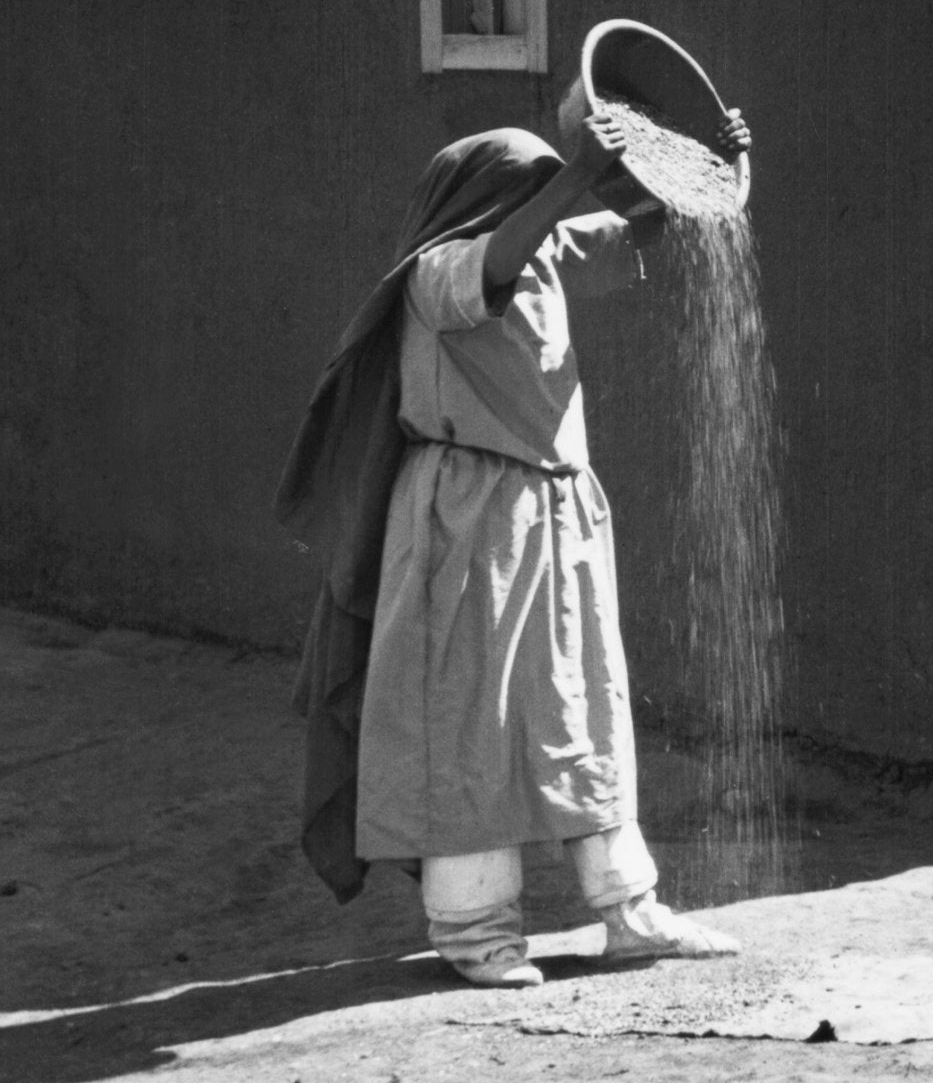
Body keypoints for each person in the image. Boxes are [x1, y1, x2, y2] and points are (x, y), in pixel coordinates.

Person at [279, 86, 749, 987]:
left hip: (558, 510)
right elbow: (498, 257)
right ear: (487, 199)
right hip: (465, 522)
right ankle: (474, 928)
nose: (556, 204)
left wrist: (720, 164)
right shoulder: (440, 274)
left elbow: (653, 223)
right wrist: (574, 170)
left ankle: (628, 907)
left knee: (582, 703)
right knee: (468, 718)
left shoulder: (541, 255)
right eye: (533, 189)